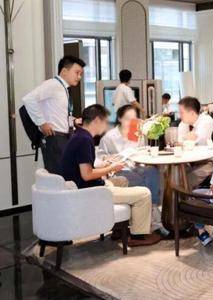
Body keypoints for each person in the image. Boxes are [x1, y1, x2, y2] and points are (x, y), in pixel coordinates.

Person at [59, 104, 160, 246]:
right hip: (90, 191)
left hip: (84, 186)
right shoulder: (84, 140)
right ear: (96, 120)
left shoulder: (79, 136)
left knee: (123, 180)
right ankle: (138, 236)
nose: (106, 125)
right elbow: (87, 175)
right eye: (104, 121)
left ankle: (119, 228)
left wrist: (105, 165)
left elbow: (84, 169)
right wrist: (111, 168)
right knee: (144, 194)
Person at [98, 105, 162, 224]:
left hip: (135, 167)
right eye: (127, 119)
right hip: (118, 171)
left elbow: (141, 151)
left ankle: (153, 206)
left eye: (134, 119)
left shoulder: (135, 133)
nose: (131, 122)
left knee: (152, 172)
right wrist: (109, 159)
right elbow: (100, 159)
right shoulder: (109, 137)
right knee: (142, 180)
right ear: (120, 118)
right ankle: (147, 214)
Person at [22, 55, 86, 175]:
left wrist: (73, 121)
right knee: (58, 177)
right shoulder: (53, 84)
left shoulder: (63, 88)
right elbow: (28, 99)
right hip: (54, 138)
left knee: (64, 175)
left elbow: (57, 113)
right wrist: (42, 123)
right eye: (77, 72)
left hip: (62, 138)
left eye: (81, 74)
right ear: (64, 71)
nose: (79, 77)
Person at [177, 96, 213, 188]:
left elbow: (194, 140)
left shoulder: (206, 120)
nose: (179, 116)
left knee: (183, 180)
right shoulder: (183, 124)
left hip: (207, 163)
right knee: (173, 174)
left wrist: (186, 139)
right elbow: (179, 143)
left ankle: (187, 196)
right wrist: (187, 138)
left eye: (181, 113)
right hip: (189, 162)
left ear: (191, 113)